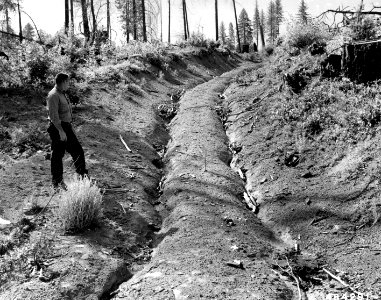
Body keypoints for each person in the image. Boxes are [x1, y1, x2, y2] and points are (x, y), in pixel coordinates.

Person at [46, 73, 88, 190]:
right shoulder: (53, 95)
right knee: (57, 156)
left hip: (66, 127)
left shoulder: (62, 94)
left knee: (78, 151)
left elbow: (66, 113)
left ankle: (82, 176)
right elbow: (53, 116)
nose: (69, 85)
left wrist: (69, 128)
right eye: (68, 82)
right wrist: (61, 131)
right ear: (63, 81)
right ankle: (57, 182)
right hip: (58, 128)